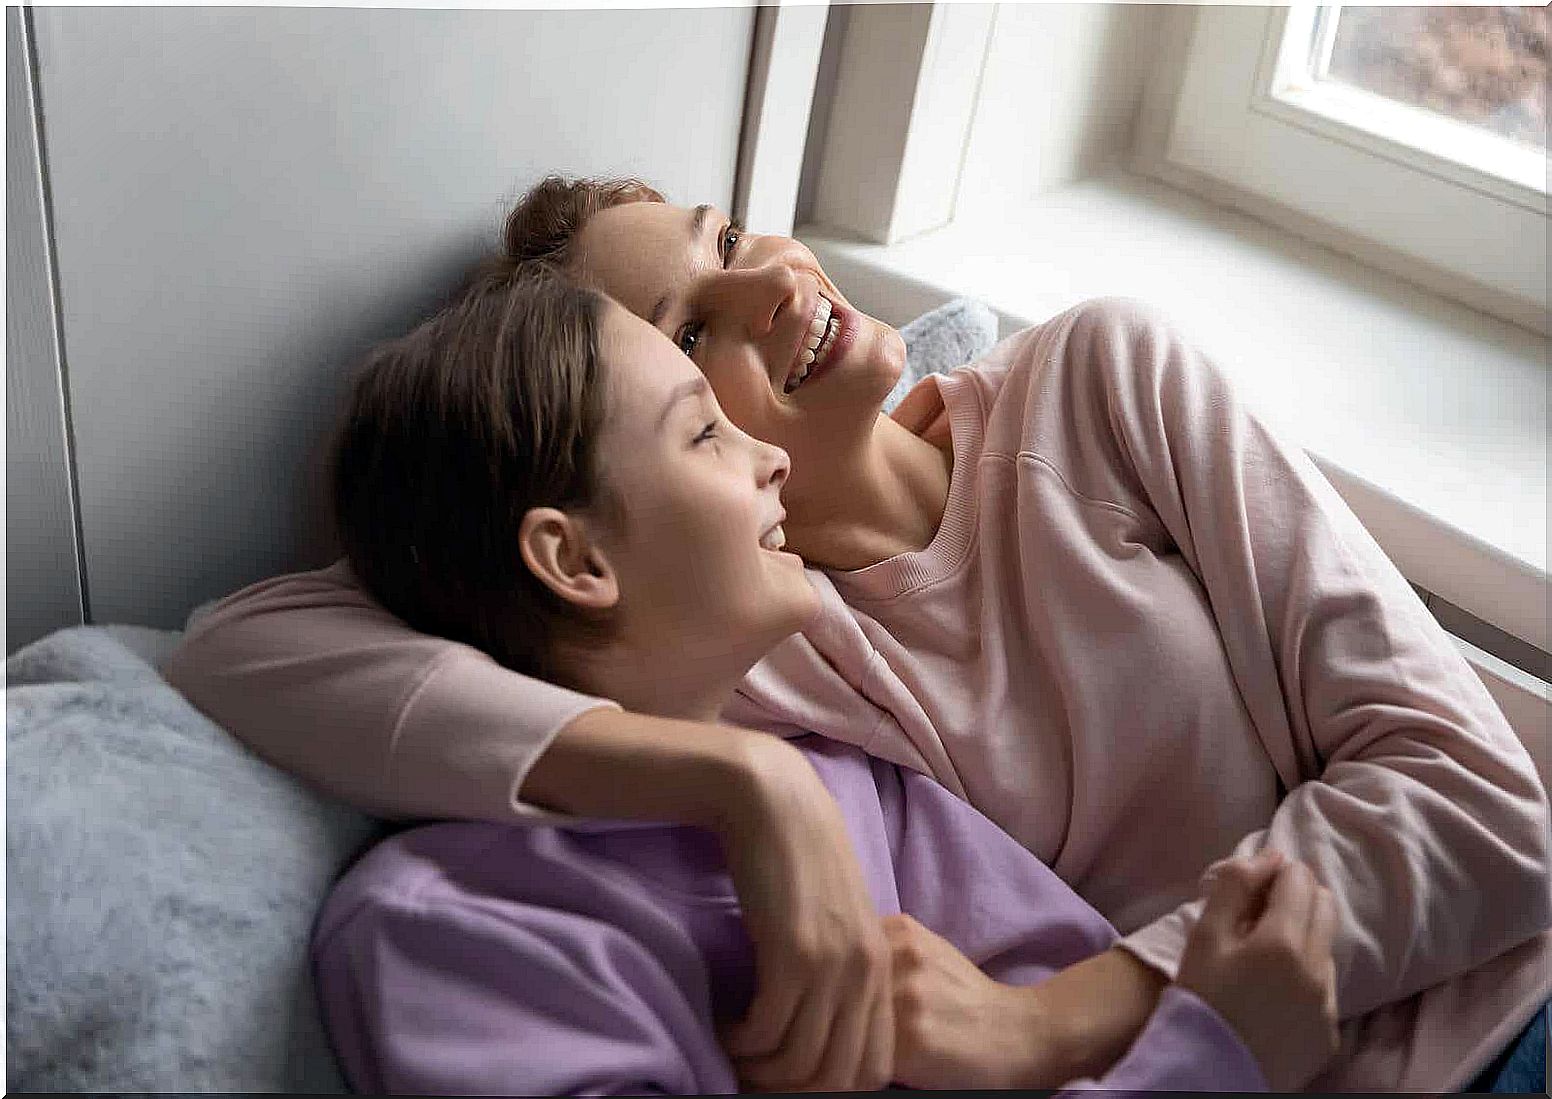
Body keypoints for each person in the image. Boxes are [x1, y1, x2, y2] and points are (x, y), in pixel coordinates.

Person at [166, 176, 1551, 1092]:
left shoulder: (1100, 384)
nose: (770, 290)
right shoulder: (745, 649)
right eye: (690, 330)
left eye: (723, 239)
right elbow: (240, 644)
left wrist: (1053, 1022)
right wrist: (736, 778)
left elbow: (1485, 803)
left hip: (1506, 1015)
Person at [308, 268, 1339, 1094]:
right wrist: (1216, 1058)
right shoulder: (451, 933)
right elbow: (248, 641)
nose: (770, 462)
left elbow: (1075, 1016)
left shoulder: (863, 788)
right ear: (575, 562)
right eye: (704, 430)